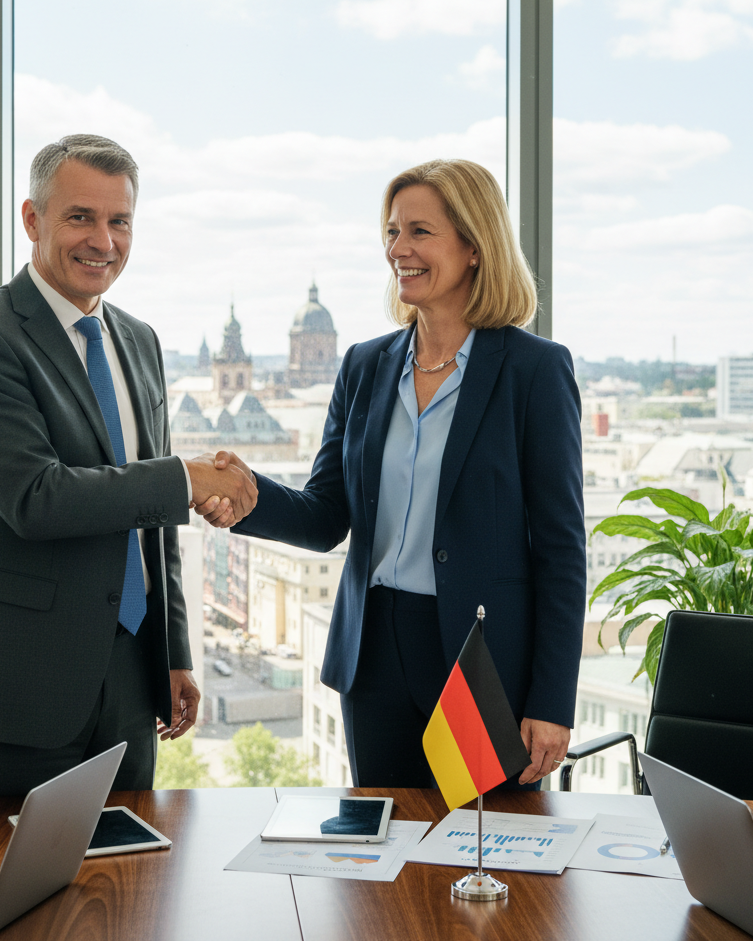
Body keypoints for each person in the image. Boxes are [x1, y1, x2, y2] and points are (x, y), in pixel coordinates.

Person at [200, 159, 585, 789]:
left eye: (418, 232)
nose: (397, 249)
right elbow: (326, 515)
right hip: (374, 653)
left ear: (474, 246)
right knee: (383, 858)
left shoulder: (533, 372)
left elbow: (562, 549)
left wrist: (550, 700)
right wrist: (245, 495)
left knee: (481, 855)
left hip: (476, 661)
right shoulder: (365, 366)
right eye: (390, 232)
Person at [0, 134, 257, 799]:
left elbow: (152, 522)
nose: (102, 240)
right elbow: (37, 498)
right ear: (32, 219)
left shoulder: (139, 339)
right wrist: (190, 480)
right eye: (80, 217)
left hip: (131, 676)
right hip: (19, 680)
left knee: (125, 889)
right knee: (10, 889)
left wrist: (174, 651)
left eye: (119, 221)